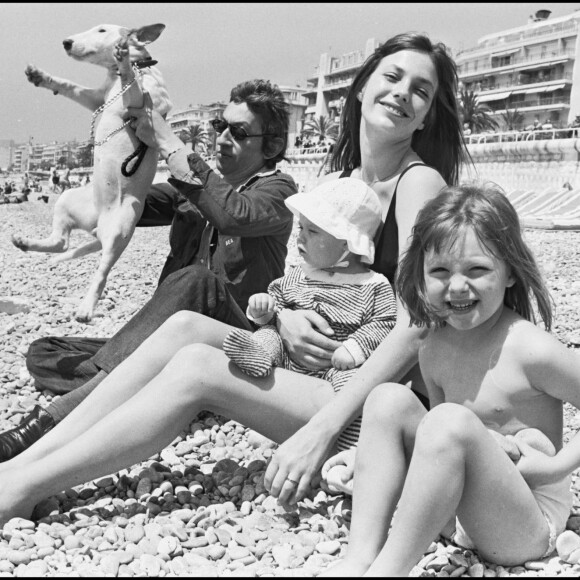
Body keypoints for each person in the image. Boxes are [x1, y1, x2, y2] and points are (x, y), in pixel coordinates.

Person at [0, 32, 468, 521]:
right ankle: (24, 465)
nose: (402, 93)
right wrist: (285, 320)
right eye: (392, 76)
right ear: (363, 85)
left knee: (196, 365)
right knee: (183, 329)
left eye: (420, 90)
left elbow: (418, 323)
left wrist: (321, 431)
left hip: (369, 402)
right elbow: (302, 285)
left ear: (428, 114)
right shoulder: (344, 181)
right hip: (316, 371)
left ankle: (22, 487)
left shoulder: (419, 183)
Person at [0, 78, 296, 461]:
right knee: (45, 352)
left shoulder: (280, 192)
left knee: (197, 280)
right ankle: (141, 382)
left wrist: (170, 144)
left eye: (238, 133)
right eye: (218, 126)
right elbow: (119, 206)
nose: (222, 138)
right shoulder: (191, 190)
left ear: (270, 145)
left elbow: (231, 215)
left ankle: (49, 423)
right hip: (170, 340)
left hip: (235, 337)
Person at [322, 184, 580, 577]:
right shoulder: (433, 346)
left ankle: (387, 571)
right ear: (421, 276)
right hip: (460, 510)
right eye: (440, 271)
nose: (457, 286)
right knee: (388, 398)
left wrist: (558, 466)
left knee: (449, 421)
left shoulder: (530, 349)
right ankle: (359, 556)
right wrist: (369, 457)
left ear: (511, 272)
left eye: (477, 270)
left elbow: (448, 428)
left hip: (525, 520)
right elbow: (436, 440)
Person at [223, 178, 397, 449]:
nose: (299, 237)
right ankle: (257, 356)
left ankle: (350, 447)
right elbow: (277, 299)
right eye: (301, 228)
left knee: (353, 387)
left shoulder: (372, 286)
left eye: (313, 231)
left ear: (348, 243)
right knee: (269, 335)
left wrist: (354, 348)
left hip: (333, 366)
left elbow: (384, 322)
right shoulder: (299, 275)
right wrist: (264, 309)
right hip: (286, 357)